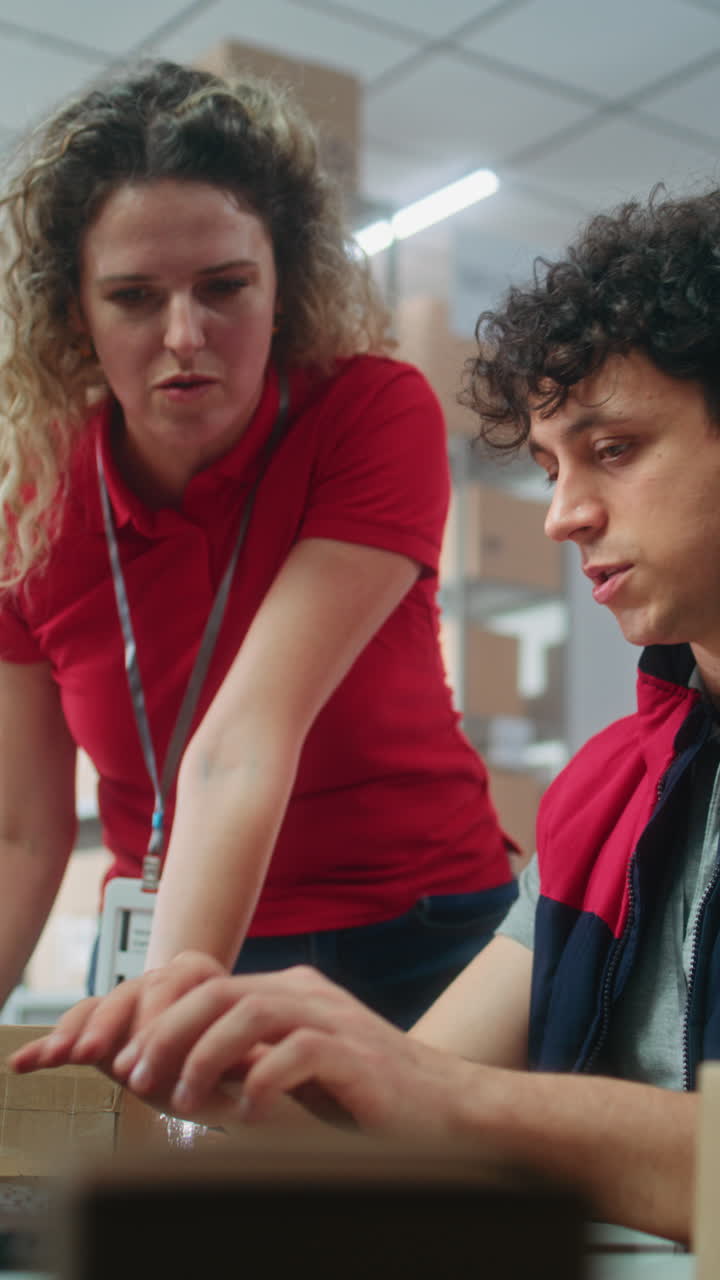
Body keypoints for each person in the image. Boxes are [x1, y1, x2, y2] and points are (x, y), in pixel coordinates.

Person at [16, 182, 720, 1247]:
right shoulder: (605, 795)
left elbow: (442, 1093)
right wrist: (232, 1070)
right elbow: (413, 1093)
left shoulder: (365, 413)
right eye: (549, 467)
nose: (567, 515)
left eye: (614, 448)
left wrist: (430, 1090)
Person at [0, 58, 519, 1030]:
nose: (185, 333)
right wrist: (166, 997)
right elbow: (21, 835)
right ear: (75, 310)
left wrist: (167, 1018)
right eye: (133, 297)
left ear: (284, 285)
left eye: (225, 287)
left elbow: (242, 741)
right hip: (171, 929)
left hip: (423, 933)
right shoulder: (26, 502)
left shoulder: (369, 411)